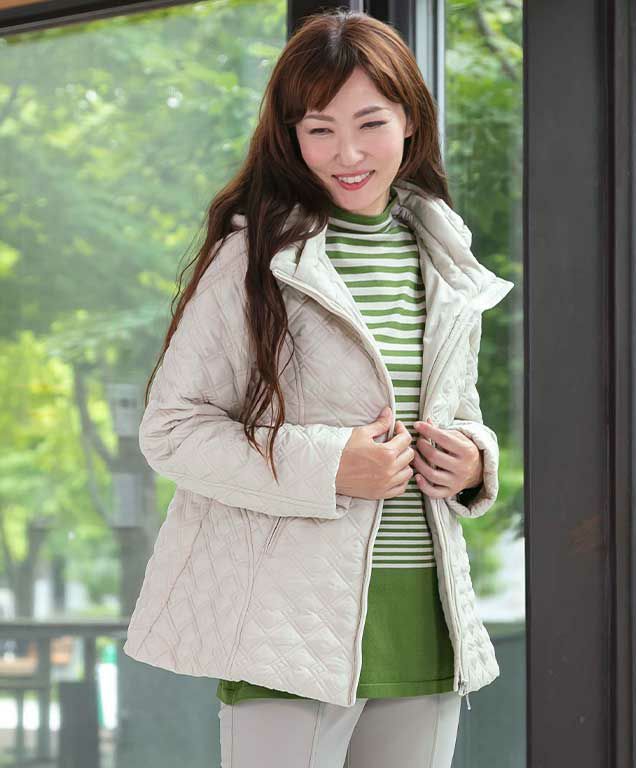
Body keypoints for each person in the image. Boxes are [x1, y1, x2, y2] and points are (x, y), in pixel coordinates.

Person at [123, 8, 514, 768]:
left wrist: (472, 461)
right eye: (320, 129)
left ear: (410, 119)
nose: (348, 153)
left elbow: (458, 410)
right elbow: (172, 429)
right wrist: (331, 465)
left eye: (370, 123)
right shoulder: (253, 258)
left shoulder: (443, 253)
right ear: (292, 137)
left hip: (425, 617)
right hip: (288, 621)